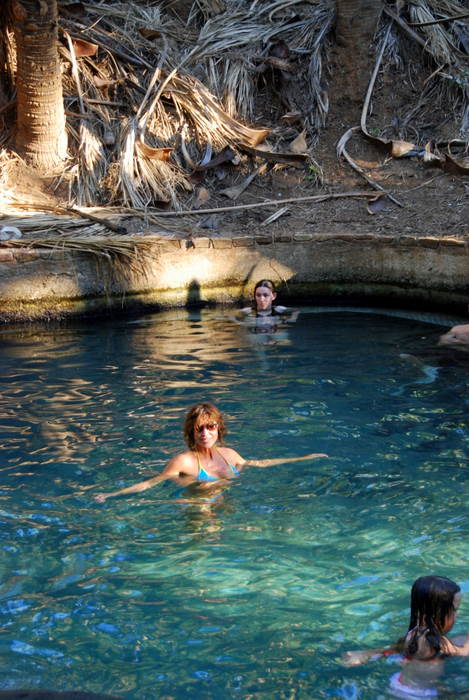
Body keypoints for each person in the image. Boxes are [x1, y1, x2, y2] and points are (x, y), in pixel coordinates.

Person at [94, 401, 328, 502]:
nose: (205, 433)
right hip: (198, 510)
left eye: (210, 427)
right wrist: (112, 495)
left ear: (218, 428)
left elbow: (260, 463)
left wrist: (303, 458)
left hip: (225, 503)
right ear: (191, 431)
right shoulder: (183, 461)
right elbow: (150, 483)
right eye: (199, 428)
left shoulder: (230, 455)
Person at [342, 576, 469, 698]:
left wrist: (371, 654)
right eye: (455, 610)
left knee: (459, 640)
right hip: (419, 693)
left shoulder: (416, 633)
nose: (457, 615)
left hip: (405, 682)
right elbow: (464, 652)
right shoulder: (429, 640)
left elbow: (399, 649)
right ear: (436, 613)